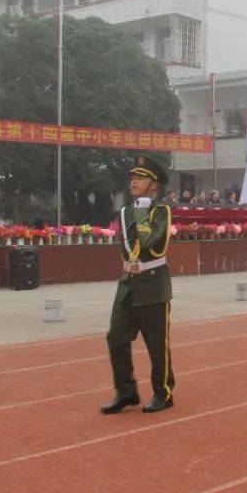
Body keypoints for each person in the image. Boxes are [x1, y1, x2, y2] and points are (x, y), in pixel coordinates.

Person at [101, 153, 176, 415]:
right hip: (128, 285)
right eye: (133, 176)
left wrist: (143, 212)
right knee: (115, 338)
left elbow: (150, 244)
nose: (133, 180)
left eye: (140, 177)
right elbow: (125, 246)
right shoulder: (125, 212)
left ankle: (163, 393)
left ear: (153, 185)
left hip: (153, 286)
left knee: (157, 345)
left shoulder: (161, 212)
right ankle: (126, 391)